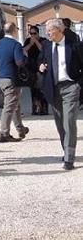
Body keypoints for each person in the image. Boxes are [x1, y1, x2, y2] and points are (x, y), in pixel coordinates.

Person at [37, 17, 83, 171]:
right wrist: (40, 66)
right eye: (47, 30)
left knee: (69, 122)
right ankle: (66, 150)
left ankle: (69, 158)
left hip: (71, 87)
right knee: (60, 123)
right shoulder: (46, 45)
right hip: (53, 88)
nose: (48, 33)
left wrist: (78, 85)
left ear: (60, 30)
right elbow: (40, 60)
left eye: (51, 30)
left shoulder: (74, 46)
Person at [0, 22, 29, 143]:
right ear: (14, 31)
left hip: (1, 77)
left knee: (14, 103)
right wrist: (25, 56)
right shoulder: (16, 44)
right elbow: (19, 62)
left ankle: (20, 128)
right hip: (11, 78)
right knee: (9, 106)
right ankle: (4, 133)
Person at [23, 26, 48, 115]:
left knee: (42, 89)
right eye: (31, 34)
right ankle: (35, 108)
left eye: (34, 33)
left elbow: (43, 49)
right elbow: (23, 50)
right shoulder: (27, 41)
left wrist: (36, 41)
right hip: (31, 68)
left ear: (38, 33)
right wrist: (30, 44)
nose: (32, 35)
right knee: (33, 89)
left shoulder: (43, 40)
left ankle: (43, 108)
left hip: (40, 67)